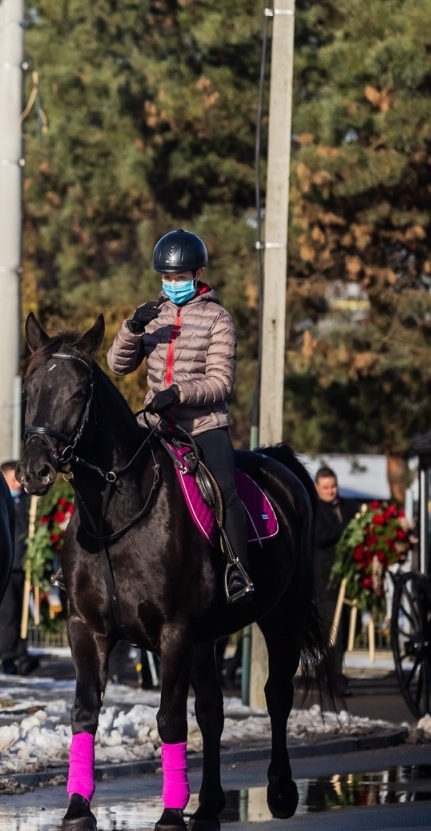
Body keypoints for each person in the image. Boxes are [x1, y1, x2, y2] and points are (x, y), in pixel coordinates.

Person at [108, 229, 252, 601]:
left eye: (179, 278)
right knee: (110, 474)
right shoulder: (151, 316)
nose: (172, 284)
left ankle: (238, 569)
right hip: (154, 424)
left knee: (224, 488)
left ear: (198, 273)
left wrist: (179, 392)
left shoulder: (219, 318)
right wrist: (131, 329)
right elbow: (117, 366)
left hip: (201, 424)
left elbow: (222, 382)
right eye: (166, 278)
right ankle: (87, 558)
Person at [311, 466, 360, 693]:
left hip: (350, 579)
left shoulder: (349, 506)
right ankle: (334, 678)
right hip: (326, 580)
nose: (331, 491)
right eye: (326, 487)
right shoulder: (314, 509)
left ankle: (324, 669)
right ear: (317, 488)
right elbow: (320, 536)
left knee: (353, 626)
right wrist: (347, 529)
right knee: (335, 631)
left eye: (333, 486)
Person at [0, 460, 39, 675]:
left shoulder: (29, 502)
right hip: (6, 566)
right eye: (12, 479)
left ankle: (21, 653)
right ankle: (7, 657)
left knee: (22, 615)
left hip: (25, 565)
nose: (17, 484)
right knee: (7, 614)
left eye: (19, 479)